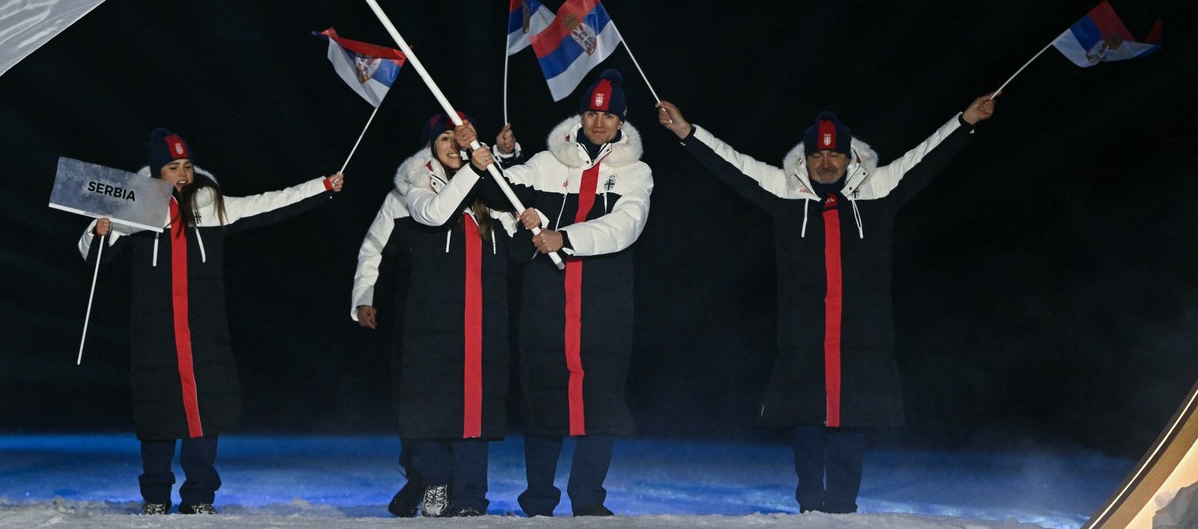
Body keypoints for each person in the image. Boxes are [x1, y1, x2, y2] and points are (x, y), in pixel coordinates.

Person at [655, 93, 997, 514]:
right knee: (808, 421)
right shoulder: (784, 188)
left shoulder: (879, 187)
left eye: (834, 154)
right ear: (806, 158)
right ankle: (810, 506)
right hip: (805, 334)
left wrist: (966, 120)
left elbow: (926, 156)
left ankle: (842, 507)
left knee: (852, 421)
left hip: (862, 334)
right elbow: (731, 163)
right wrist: (686, 132)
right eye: (817, 155)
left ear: (850, 157)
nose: (826, 163)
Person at [79, 128, 344, 516]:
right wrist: (97, 231)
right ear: (157, 171)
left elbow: (269, 202)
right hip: (156, 333)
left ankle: (199, 495)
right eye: (173, 167)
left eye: (187, 165)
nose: (182, 174)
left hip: (204, 332)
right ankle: (156, 496)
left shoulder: (211, 204)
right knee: (158, 414)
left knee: (206, 412)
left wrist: (322, 187)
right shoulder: (135, 207)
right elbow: (94, 254)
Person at [484, 68, 653, 517]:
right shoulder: (547, 162)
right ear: (580, 116)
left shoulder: (636, 172)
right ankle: (539, 500)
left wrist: (564, 237)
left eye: (608, 115)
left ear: (621, 122)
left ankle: (588, 498)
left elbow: (626, 225)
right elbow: (498, 193)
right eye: (591, 114)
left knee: (601, 400)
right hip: (547, 301)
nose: (599, 122)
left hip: (603, 304)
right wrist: (503, 157)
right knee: (544, 395)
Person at [350, 124, 519, 518]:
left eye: (461, 138)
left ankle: (470, 497)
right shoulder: (412, 189)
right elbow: (375, 246)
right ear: (430, 146)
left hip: (483, 318)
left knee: (476, 409)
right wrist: (364, 296)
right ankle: (431, 478)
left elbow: (520, 226)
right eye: (446, 138)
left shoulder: (489, 191)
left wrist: (506, 159)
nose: (455, 145)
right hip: (427, 319)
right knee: (426, 407)